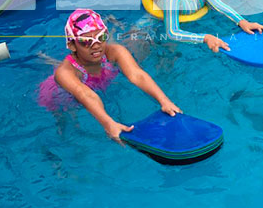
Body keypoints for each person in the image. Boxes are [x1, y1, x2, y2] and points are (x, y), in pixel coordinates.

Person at [38, 9, 181, 142]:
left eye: (101, 37)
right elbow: (85, 95)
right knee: (67, 128)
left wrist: (164, 101)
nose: (96, 45)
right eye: (86, 42)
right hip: (63, 95)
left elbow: (137, 75)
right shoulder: (65, 73)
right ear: (72, 46)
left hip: (98, 80)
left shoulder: (114, 52)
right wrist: (108, 123)